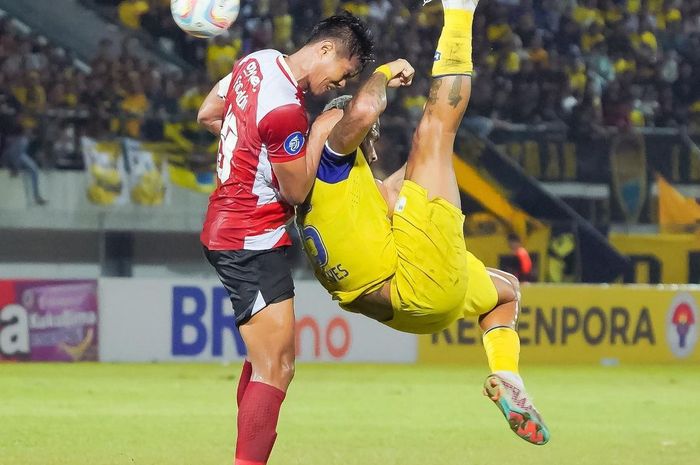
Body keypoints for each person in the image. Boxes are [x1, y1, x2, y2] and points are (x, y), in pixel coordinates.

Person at [296, 0, 550, 446]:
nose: (373, 148)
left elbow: (399, 186)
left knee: (505, 290)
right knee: (435, 130)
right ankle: (459, 9)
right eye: (369, 142)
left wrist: (434, 163)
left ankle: (509, 381)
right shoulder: (331, 162)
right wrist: (385, 72)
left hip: (409, 312)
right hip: (418, 280)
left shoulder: (324, 195)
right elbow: (362, 114)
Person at [196, 12, 374, 465]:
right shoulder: (289, 112)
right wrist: (319, 129)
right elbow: (296, 190)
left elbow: (209, 113)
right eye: (345, 73)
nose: (340, 83)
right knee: (277, 367)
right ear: (326, 50)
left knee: (266, 363)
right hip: (250, 236)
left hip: (234, 227)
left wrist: (247, 156)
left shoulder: (257, 62)